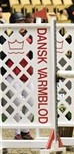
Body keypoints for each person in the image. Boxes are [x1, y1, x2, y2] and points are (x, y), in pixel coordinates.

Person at [7, 12, 34, 140]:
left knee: (31, 102)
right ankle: (17, 132)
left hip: (27, 74)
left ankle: (25, 130)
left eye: (23, 22)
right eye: (18, 22)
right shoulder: (5, 38)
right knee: (17, 102)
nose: (21, 25)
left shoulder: (30, 37)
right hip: (12, 74)